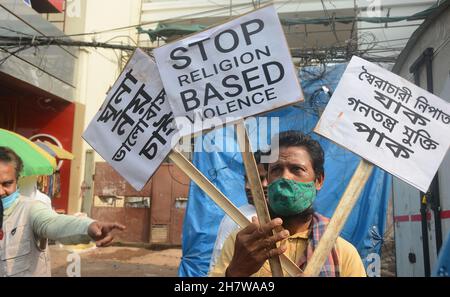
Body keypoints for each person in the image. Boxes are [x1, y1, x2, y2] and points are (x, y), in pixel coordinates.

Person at [210, 131, 366, 277]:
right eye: (276, 169)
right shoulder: (246, 242)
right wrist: (235, 272)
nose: (284, 178)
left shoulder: (342, 253)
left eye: (296, 169)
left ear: (318, 181)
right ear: (267, 180)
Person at [0, 146, 125, 277]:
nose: (1, 192)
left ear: (17, 181)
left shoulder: (30, 209)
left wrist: (88, 227)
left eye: (7, 184)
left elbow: (54, 222)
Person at [208, 151, 268, 273]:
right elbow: (217, 267)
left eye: (257, 179)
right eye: (246, 179)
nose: (247, 186)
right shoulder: (237, 217)